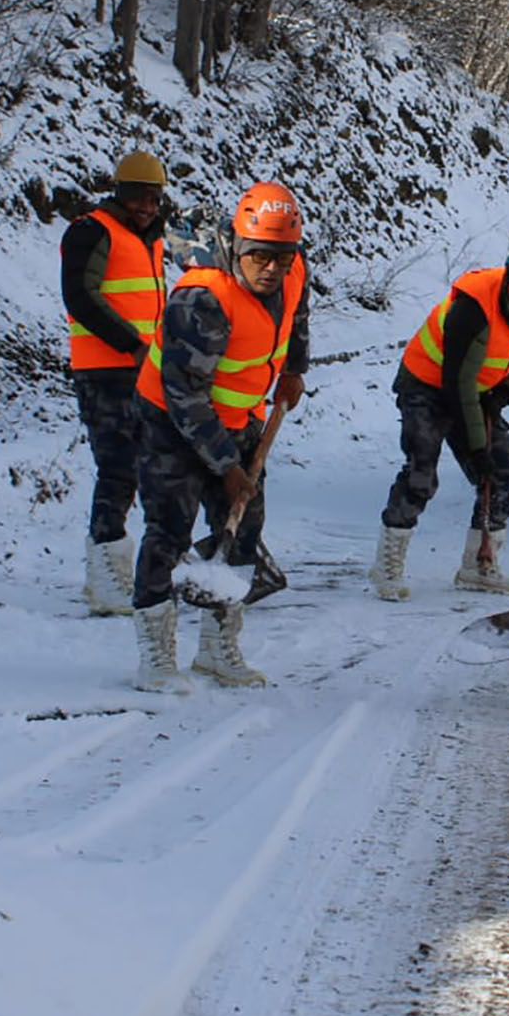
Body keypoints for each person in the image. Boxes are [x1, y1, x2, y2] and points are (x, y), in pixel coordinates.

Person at [127, 181, 311, 692]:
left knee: (244, 529)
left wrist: (294, 368)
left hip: (240, 416)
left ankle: (217, 647)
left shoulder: (293, 271)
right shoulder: (202, 299)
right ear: (237, 246)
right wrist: (226, 467)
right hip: (171, 420)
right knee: (169, 530)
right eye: (259, 256)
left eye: (282, 256)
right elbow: (185, 395)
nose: (272, 268)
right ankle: (156, 657)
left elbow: (298, 317)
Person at [371, 240, 509, 600]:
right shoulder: (472, 308)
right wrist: (475, 449)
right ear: (507, 276)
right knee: (421, 472)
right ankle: (387, 566)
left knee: (501, 478)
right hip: (426, 383)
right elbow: (457, 382)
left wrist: (507, 391)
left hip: (476, 392)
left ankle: (478, 567)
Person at [60, 151, 170, 616]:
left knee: (150, 468)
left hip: (146, 371)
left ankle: (135, 570)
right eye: (135, 196)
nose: (145, 205)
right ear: (117, 191)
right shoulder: (92, 231)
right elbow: (80, 296)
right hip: (105, 371)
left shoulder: (152, 238)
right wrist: (131, 344)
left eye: (152, 197)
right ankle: (105, 575)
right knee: (118, 469)